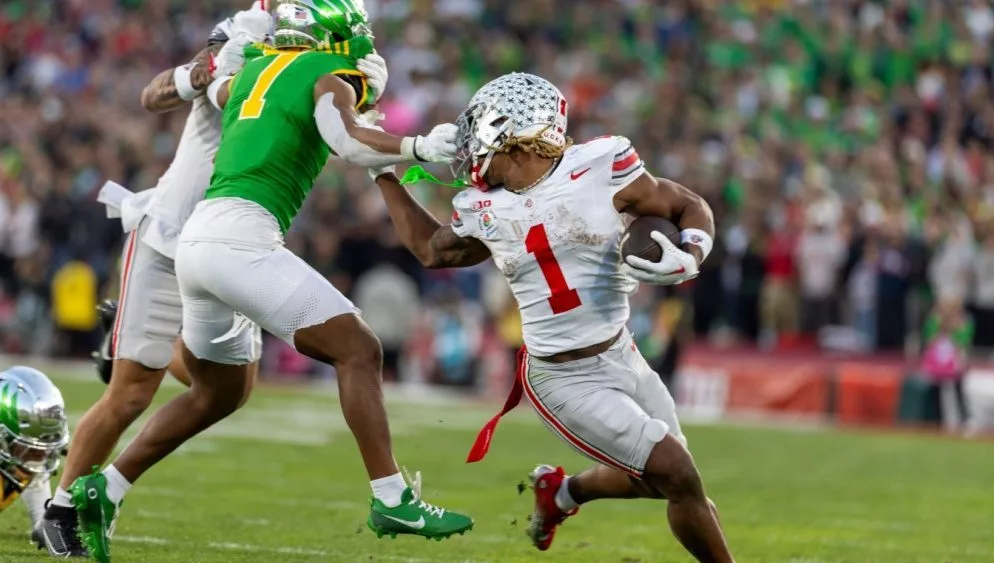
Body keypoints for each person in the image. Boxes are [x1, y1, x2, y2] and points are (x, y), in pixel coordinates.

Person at [68, 2, 471, 561]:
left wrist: (206, 68)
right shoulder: (325, 76)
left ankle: (104, 489)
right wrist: (417, 148)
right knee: (359, 350)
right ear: (335, 36)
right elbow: (348, 138)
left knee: (219, 393)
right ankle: (392, 496)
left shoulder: (250, 73)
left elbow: (209, 93)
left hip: (197, 244)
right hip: (242, 239)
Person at [372, 72, 734, 562]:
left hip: (621, 352)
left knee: (660, 482)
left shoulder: (600, 165)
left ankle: (561, 494)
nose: (473, 154)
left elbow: (685, 204)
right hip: (562, 377)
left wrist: (692, 250)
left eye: (484, 140)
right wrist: (383, 174)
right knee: (680, 476)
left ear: (520, 141)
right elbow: (432, 251)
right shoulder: (484, 207)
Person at [37, 4, 284, 558]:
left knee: (227, 391)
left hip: (236, 244)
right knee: (130, 393)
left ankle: (122, 338)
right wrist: (204, 73)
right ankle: (62, 507)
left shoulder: (328, 58)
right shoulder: (251, 33)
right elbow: (154, 94)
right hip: (171, 234)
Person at [0, 367, 69, 549]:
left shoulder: (24, 463)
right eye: (29, 447)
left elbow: (44, 525)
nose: (40, 455)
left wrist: (48, 521)